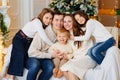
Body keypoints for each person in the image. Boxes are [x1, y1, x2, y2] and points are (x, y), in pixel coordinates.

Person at [4, 8, 54, 80]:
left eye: (50, 19)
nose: (48, 20)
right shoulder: (37, 22)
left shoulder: (44, 25)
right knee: (20, 54)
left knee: (26, 55)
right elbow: (44, 37)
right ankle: (11, 75)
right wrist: (52, 45)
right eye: (47, 18)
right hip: (20, 38)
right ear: (42, 16)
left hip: (28, 41)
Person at [26, 12, 64, 80]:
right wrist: (51, 55)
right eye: (57, 20)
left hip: (45, 58)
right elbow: (31, 52)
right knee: (35, 65)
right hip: (33, 56)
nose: (59, 23)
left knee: (50, 67)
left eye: (62, 20)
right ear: (52, 21)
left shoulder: (62, 35)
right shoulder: (42, 34)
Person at [60, 14, 96, 80]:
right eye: (64, 22)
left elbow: (85, 49)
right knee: (64, 70)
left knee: (71, 70)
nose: (66, 24)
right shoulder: (67, 35)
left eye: (69, 21)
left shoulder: (82, 32)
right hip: (77, 59)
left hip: (87, 58)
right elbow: (71, 51)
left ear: (74, 22)